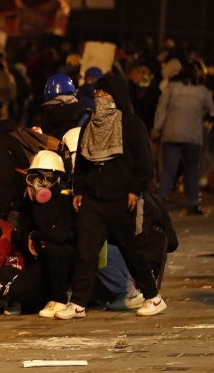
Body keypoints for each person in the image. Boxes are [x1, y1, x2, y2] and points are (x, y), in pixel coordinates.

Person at [56, 74, 165, 319]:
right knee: (86, 251)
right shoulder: (89, 125)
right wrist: (79, 191)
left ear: (116, 96)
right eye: (97, 94)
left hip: (122, 200)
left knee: (132, 250)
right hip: (93, 201)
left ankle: (153, 297)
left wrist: (135, 190)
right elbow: (82, 163)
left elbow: (144, 164)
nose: (99, 98)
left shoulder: (131, 124)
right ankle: (78, 303)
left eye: (104, 94)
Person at [11, 151, 77, 318]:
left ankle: (60, 299)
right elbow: (25, 231)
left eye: (40, 178)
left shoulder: (66, 200)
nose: (35, 183)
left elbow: (60, 235)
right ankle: (49, 297)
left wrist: (36, 236)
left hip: (69, 259)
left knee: (56, 248)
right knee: (18, 290)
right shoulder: (34, 204)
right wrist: (31, 236)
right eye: (33, 177)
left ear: (52, 179)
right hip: (45, 260)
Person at [152, 62, 214, 215]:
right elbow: (212, 111)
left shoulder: (171, 89)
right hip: (193, 136)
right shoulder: (202, 91)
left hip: (171, 134)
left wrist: (157, 128)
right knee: (192, 169)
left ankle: (162, 201)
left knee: (168, 170)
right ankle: (192, 203)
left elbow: (161, 108)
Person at [41, 74, 86, 140]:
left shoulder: (81, 120)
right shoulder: (50, 119)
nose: (51, 108)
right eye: (50, 106)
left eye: (56, 105)